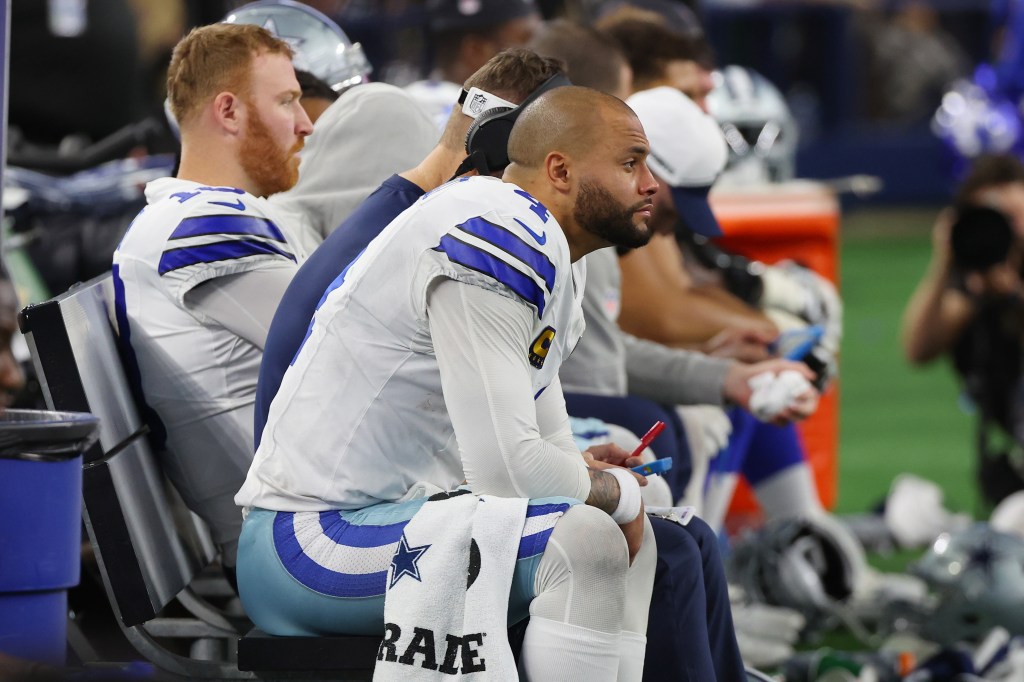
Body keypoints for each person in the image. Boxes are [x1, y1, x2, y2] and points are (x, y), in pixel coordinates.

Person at [254, 46, 759, 682]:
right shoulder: (493, 224)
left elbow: (541, 445)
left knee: (657, 520)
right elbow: (506, 469)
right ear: (560, 169)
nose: (651, 185)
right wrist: (615, 499)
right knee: (588, 541)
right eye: (631, 163)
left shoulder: (549, 250)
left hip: (393, 511)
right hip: (312, 537)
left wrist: (603, 484)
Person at [111, 22, 313, 575]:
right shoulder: (202, 225)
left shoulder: (194, 216)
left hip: (297, 520)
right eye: (288, 101)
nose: (306, 124)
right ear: (229, 112)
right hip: (297, 544)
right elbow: (347, 355)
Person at [902, 153, 1024, 505]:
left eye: (1012, 217)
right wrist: (945, 257)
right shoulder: (974, 286)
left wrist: (1015, 295)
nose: (1003, 229)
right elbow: (918, 349)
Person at [405, 0, 542, 131]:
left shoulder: (403, 103)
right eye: (526, 40)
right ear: (476, 50)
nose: (540, 53)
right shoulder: (486, 126)